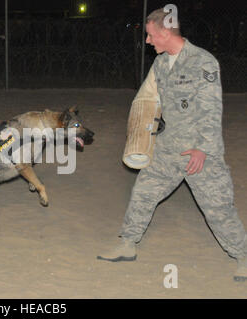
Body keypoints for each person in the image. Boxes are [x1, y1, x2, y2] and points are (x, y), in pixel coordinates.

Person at [97, 8, 247, 282]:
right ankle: (128, 243)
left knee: (218, 209)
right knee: (143, 193)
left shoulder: (203, 62)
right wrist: (141, 136)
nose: (148, 41)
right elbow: (148, 101)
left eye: (151, 35)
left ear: (166, 33)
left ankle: (244, 256)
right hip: (168, 148)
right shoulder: (162, 63)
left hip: (199, 151)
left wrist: (203, 148)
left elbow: (212, 110)